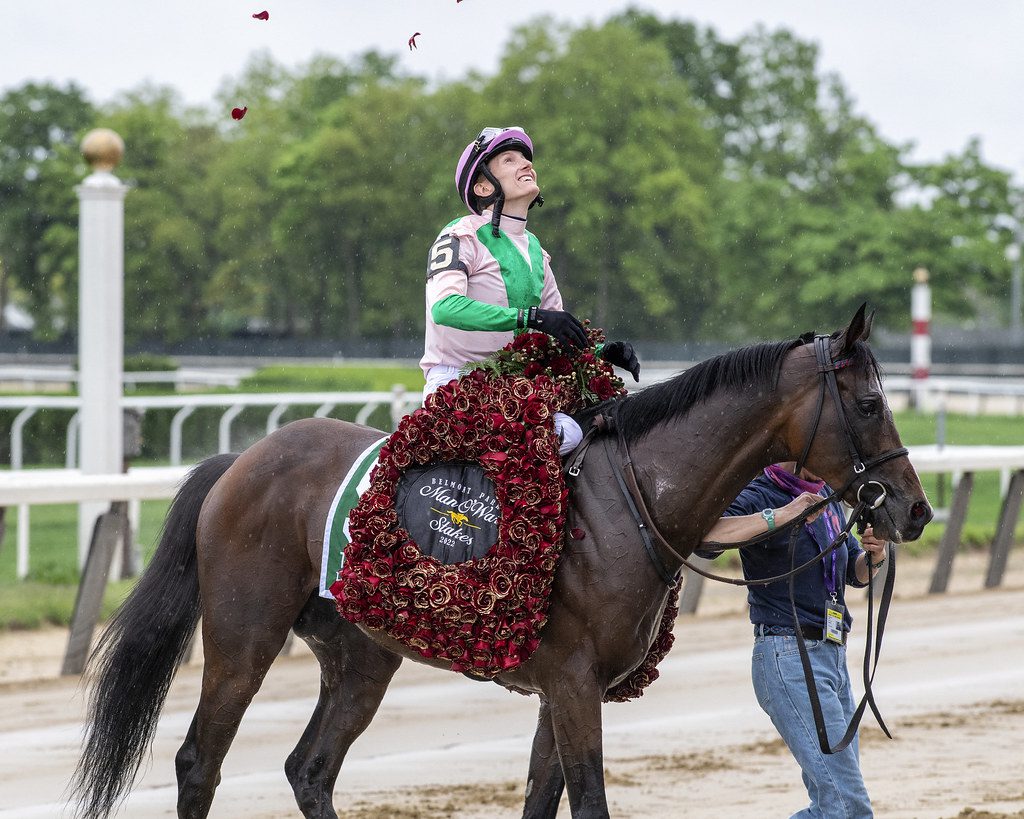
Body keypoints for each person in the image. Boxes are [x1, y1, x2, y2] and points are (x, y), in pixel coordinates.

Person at [419, 126, 640, 454]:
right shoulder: (460, 234)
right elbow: (446, 308)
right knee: (569, 435)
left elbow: (555, 332)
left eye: (526, 159)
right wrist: (530, 317)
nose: (526, 165)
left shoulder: (535, 251)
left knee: (603, 424)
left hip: (516, 389)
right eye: (509, 160)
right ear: (482, 186)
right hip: (455, 384)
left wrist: (599, 353)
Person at [699, 462, 890, 819]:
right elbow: (706, 538)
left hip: (832, 656)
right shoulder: (759, 494)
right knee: (848, 808)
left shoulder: (826, 497)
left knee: (834, 805)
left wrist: (874, 557)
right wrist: (781, 516)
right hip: (788, 655)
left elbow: (853, 571)